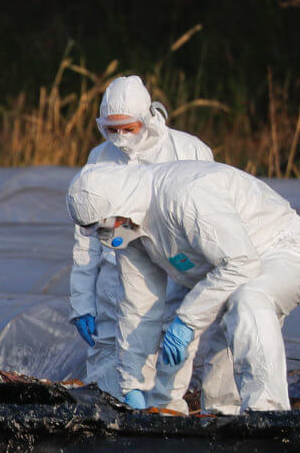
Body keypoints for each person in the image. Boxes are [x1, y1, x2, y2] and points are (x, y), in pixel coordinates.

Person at [66, 160, 300, 413]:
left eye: (101, 226)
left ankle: (270, 416)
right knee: (221, 374)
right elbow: (138, 307)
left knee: (249, 301)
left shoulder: (185, 196)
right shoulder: (130, 229)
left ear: (119, 206)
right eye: (92, 231)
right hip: (232, 271)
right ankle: (223, 422)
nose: (103, 236)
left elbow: (241, 263)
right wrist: (132, 384)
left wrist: (187, 322)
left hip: (288, 250)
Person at [68, 76, 213, 411]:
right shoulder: (99, 157)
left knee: (169, 353)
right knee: (109, 361)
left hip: (176, 268)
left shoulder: (187, 150)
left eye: (127, 128)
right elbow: (84, 237)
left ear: (147, 118)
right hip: (113, 275)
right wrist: (81, 301)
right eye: (111, 129)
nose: (119, 138)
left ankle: (166, 415)